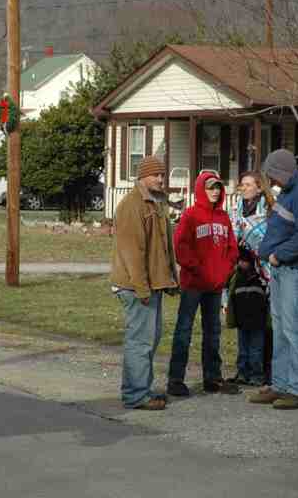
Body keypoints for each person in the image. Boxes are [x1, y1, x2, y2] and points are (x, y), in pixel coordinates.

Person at [248, 149, 298, 410]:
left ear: (285, 172)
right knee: (279, 330)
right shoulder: (288, 193)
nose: (273, 182)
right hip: (280, 271)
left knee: (294, 330)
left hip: (296, 271)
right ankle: (280, 384)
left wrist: (279, 255)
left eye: (275, 176)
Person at [110, 155, 179, 410]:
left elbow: (161, 248)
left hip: (152, 284)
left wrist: (170, 280)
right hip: (136, 286)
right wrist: (141, 288)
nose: (161, 179)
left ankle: (142, 389)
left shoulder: (155, 203)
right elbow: (132, 251)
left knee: (149, 339)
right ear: (142, 177)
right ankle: (136, 395)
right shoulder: (132, 205)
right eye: (156, 175)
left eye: (163, 175)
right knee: (140, 341)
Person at [167, 172, 240, 397]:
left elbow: (232, 249)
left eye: (218, 187)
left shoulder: (224, 218)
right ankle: (176, 380)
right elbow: (181, 248)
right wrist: (199, 269)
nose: (215, 191)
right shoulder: (190, 216)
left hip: (215, 285)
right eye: (210, 187)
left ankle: (212, 377)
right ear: (201, 189)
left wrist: (224, 272)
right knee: (184, 330)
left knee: (213, 332)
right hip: (194, 284)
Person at [227, 171, 275, 386]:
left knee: (261, 325)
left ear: (259, 187)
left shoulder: (268, 209)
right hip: (242, 272)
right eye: (242, 185)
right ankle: (243, 370)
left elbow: (270, 237)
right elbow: (233, 236)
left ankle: (261, 370)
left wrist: (256, 257)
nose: (244, 188)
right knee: (243, 323)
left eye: (248, 184)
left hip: (264, 272)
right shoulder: (236, 210)